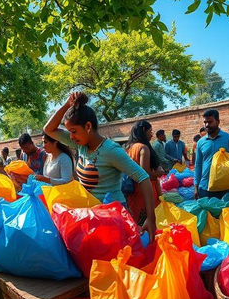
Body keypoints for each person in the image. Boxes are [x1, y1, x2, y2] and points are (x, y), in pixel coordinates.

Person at [44, 92, 156, 241]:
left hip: (114, 218)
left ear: (88, 126)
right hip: (93, 216)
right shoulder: (81, 146)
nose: (71, 137)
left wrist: (151, 218)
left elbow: (143, 177)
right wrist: (66, 105)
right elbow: (48, 129)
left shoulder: (110, 150)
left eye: (73, 131)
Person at [194, 109, 229, 199]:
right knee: (208, 213)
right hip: (206, 187)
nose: (206, 125)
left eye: (210, 122)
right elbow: (198, 165)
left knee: (228, 212)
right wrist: (196, 186)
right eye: (205, 122)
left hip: (227, 186)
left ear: (218, 122)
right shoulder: (200, 142)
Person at [125, 120, 165, 225]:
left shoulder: (128, 148)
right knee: (149, 225)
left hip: (133, 192)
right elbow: (144, 175)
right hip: (145, 193)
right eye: (150, 131)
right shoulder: (143, 148)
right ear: (143, 130)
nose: (152, 135)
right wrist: (158, 173)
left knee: (137, 224)